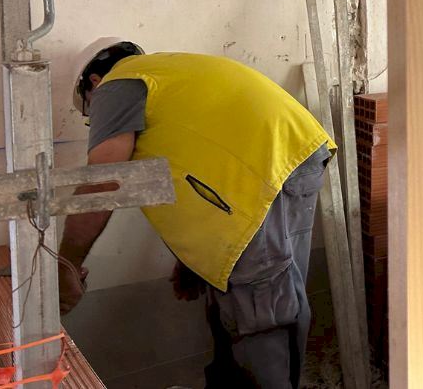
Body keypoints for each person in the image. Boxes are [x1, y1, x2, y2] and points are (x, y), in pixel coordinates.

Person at [58, 39, 335, 389]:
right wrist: (193, 262)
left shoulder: (116, 85)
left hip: (260, 177)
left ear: (94, 82)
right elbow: (197, 161)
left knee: (261, 305)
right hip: (295, 154)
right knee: (264, 291)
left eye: (90, 115)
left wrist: (66, 264)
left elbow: (104, 182)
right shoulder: (167, 76)